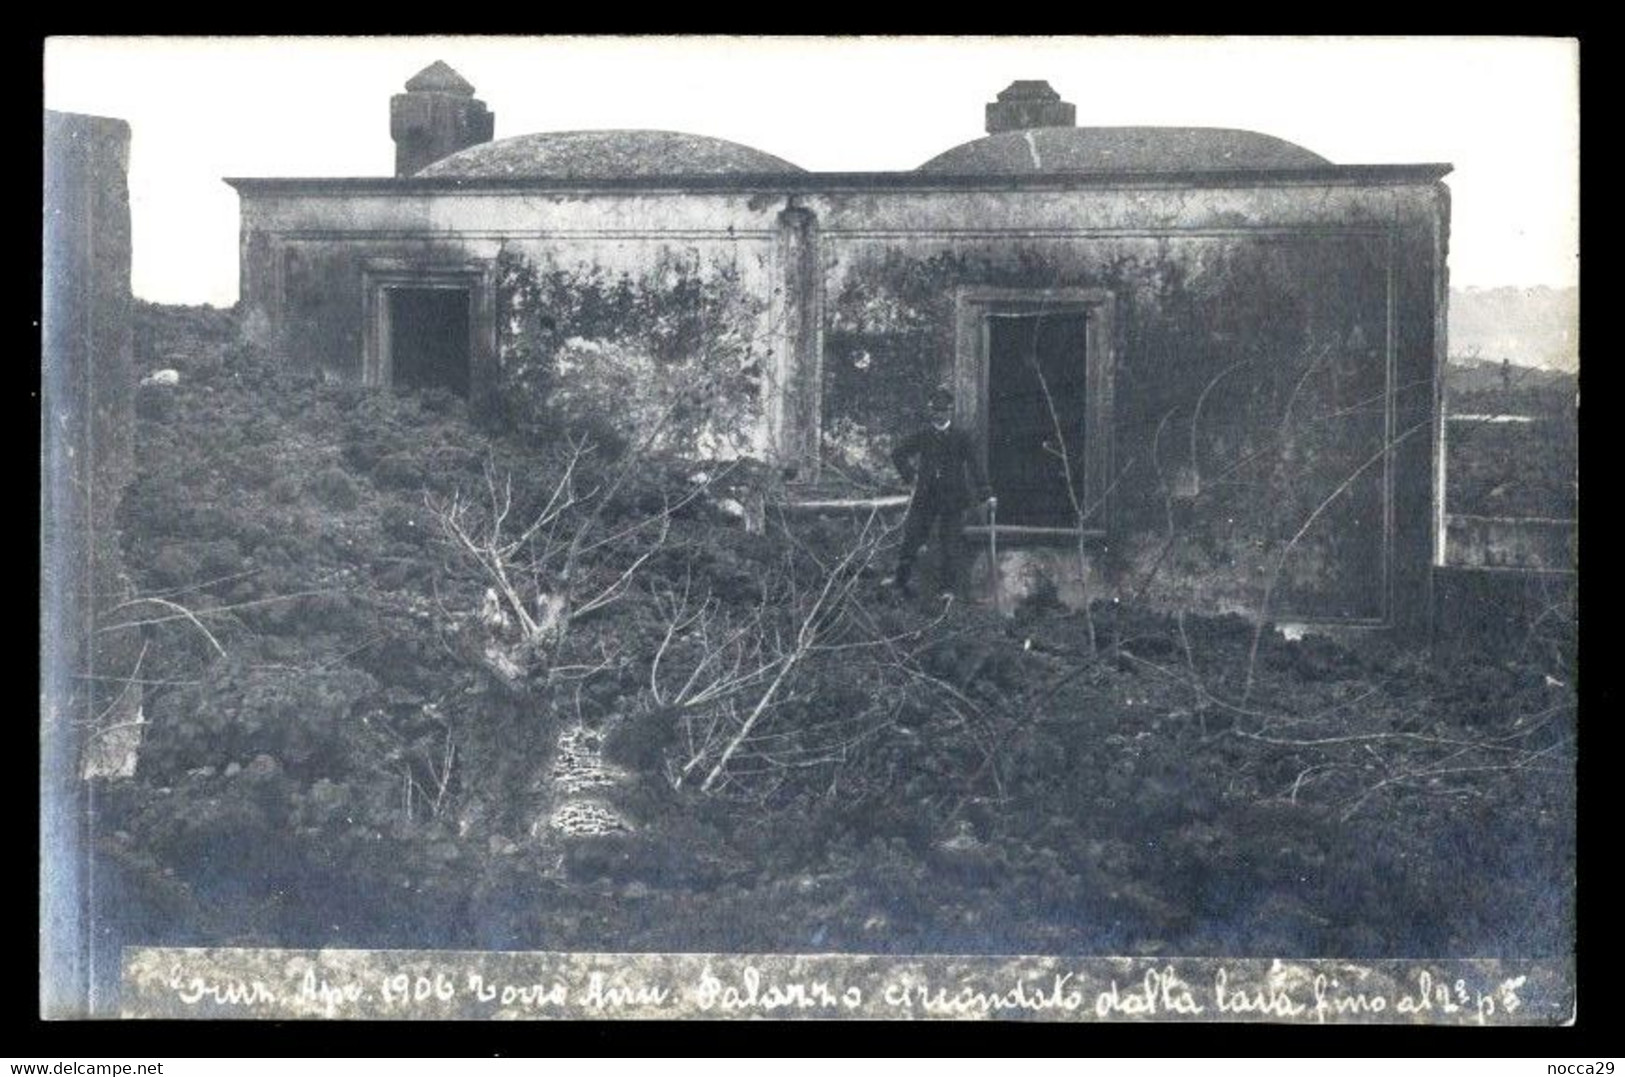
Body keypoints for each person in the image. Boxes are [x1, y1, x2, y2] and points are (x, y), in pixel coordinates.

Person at [889, 386, 996, 598]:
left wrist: (987, 494)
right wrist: (911, 476)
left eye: (943, 411)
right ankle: (900, 583)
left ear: (950, 411)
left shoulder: (961, 437)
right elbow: (898, 453)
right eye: (935, 411)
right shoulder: (923, 436)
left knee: (950, 543)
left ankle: (947, 590)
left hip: (953, 498)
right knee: (913, 536)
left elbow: (975, 466)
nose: (939, 415)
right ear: (931, 412)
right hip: (926, 497)